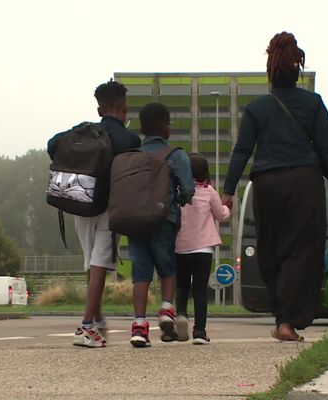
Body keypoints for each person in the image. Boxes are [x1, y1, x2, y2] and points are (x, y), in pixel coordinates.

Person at [221, 32, 328, 342]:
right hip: (304, 183)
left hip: (267, 184)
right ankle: (287, 320)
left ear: (270, 73)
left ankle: (282, 316)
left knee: (270, 250)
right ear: (298, 71)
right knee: (301, 251)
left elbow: (242, 151)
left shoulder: (257, 108)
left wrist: (228, 191)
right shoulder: (313, 104)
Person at [47, 79, 140, 347]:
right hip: (110, 208)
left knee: (92, 263)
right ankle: (87, 325)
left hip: (80, 203)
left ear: (99, 110)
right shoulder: (129, 138)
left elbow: (52, 144)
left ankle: (97, 322)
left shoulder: (82, 131)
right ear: (124, 109)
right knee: (100, 264)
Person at [128, 102, 195, 348]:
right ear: (166, 127)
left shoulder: (131, 154)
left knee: (140, 275)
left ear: (142, 128)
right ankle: (167, 309)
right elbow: (188, 192)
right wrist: (177, 198)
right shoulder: (175, 154)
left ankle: (138, 327)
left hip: (134, 221)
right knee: (167, 267)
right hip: (163, 220)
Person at [174, 153, 231, 344]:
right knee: (200, 290)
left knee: (181, 286)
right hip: (203, 249)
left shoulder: (177, 191)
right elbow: (221, 215)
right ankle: (199, 332)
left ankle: (181, 314)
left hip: (180, 247)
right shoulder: (209, 191)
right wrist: (227, 208)